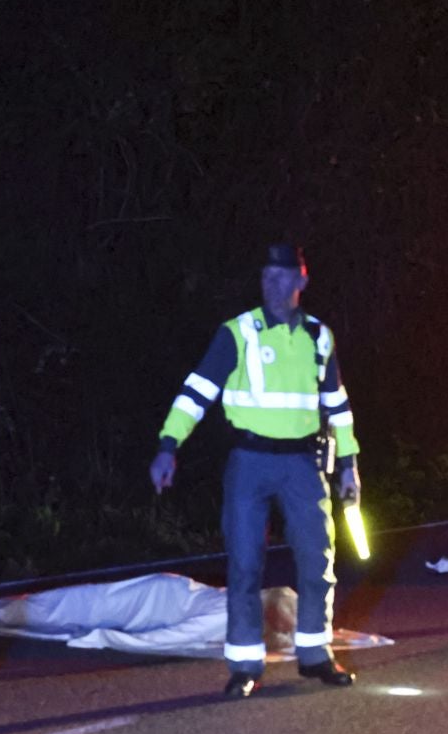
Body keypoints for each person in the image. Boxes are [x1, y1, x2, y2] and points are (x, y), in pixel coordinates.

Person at [150, 244, 361, 698]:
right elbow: (196, 392)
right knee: (244, 564)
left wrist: (349, 463)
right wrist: (169, 446)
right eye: (266, 275)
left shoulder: (319, 337)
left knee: (316, 559)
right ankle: (245, 666)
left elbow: (338, 405)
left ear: (301, 281)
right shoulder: (238, 332)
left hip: (304, 464)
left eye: (282, 276)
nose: (271, 284)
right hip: (249, 462)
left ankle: (315, 654)